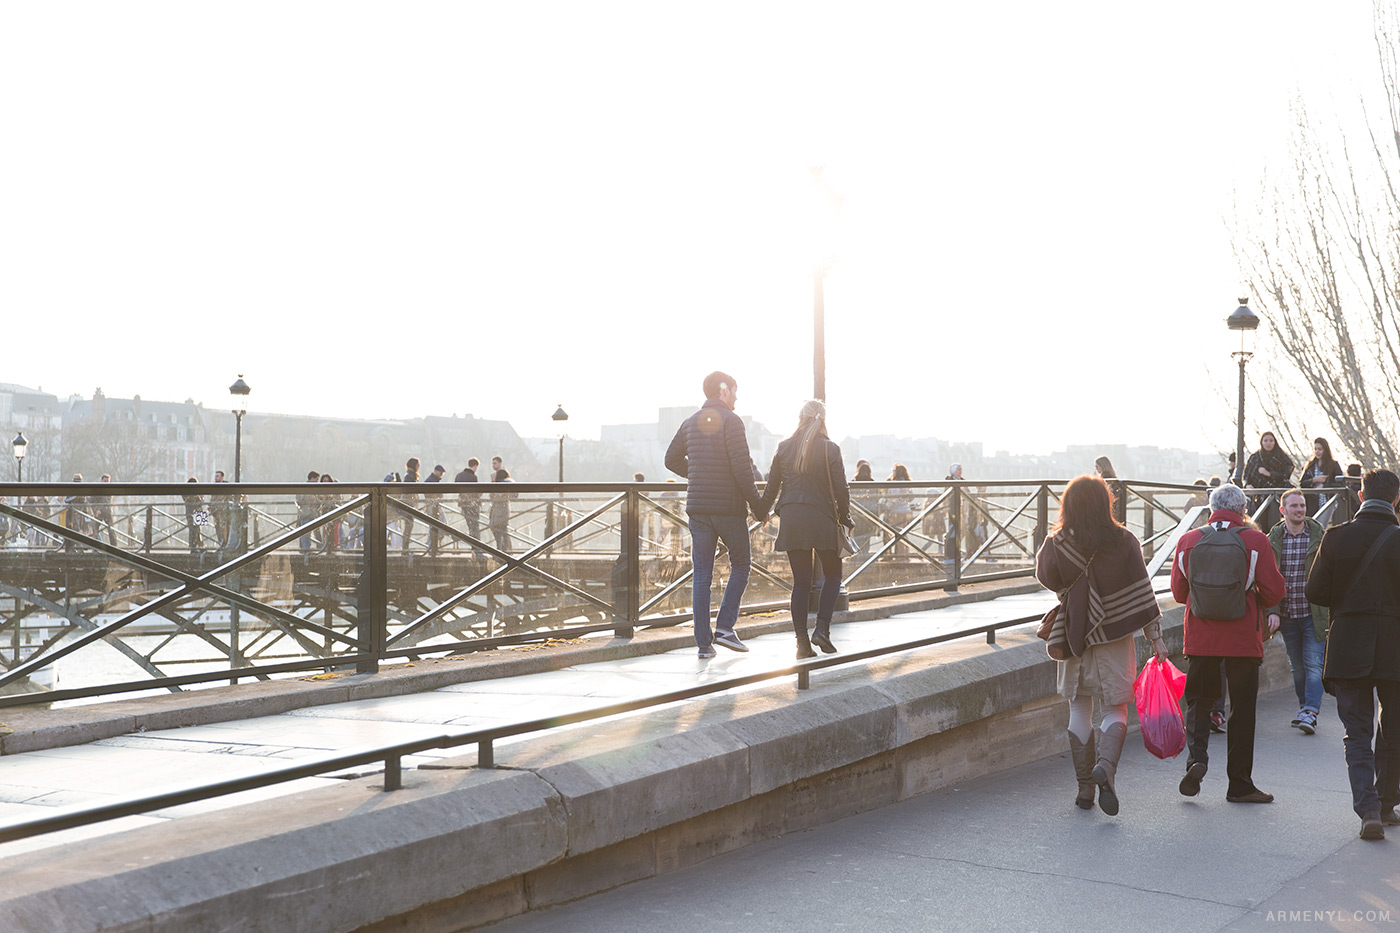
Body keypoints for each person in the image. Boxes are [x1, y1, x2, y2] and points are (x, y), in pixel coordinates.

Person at [1036, 474, 1165, 816]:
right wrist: (1156, 637)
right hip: (1114, 635)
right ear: (1105, 503)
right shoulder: (1123, 540)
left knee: (1079, 709)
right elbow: (1142, 589)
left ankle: (1084, 790)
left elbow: (1045, 574)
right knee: (1115, 708)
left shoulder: (1057, 541)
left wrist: (1074, 595)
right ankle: (1105, 769)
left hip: (1074, 634)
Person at [1170, 483, 1286, 804]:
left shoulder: (1189, 541)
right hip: (1242, 639)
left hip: (1201, 637)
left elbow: (1180, 593)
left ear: (1211, 509)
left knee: (1199, 702)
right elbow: (1275, 591)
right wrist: (1251, 600)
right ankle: (1240, 784)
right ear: (1243, 510)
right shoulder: (1255, 541)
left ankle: (1196, 761)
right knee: (1242, 709)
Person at [1305, 468, 1400, 840]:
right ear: (1395, 499)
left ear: (1360, 496)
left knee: (1356, 732)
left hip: (1348, 646)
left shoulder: (1336, 537)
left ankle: (1368, 810)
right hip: (1395, 646)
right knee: (1394, 729)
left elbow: (1315, 591)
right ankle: (1388, 801)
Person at [664, 370, 767, 659]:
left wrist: (698, 474)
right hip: (727, 508)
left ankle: (703, 645)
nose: (736, 396)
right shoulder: (732, 422)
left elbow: (670, 459)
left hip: (698, 509)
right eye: (735, 390)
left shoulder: (689, 422)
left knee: (702, 575)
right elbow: (742, 470)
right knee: (742, 564)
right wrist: (758, 507)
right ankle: (724, 627)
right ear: (724, 390)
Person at [756, 399, 853, 659]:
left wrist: (760, 511)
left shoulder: (784, 447)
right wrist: (846, 518)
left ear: (800, 419)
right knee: (833, 575)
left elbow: (771, 486)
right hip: (821, 517)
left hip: (792, 517)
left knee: (800, 583)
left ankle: (802, 644)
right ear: (823, 419)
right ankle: (822, 629)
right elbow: (841, 488)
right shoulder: (830, 448)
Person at [1265, 489, 1330, 736]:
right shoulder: (1274, 539)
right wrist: (1272, 610)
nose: (1299, 510)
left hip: (1314, 613)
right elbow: (1268, 579)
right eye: (1294, 506)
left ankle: (1311, 711)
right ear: (1283, 510)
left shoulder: (1318, 536)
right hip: (1287, 613)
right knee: (1297, 666)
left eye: (1302, 505)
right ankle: (1305, 708)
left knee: (1313, 664)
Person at [1243, 431, 1294, 531]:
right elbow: (1246, 476)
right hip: (1259, 496)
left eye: (1271, 441)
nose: (1268, 443)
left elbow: (1286, 474)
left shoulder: (1282, 457)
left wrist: (1270, 474)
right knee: (1262, 524)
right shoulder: (1255, 458)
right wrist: (1247, 485)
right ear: (1261, 442)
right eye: (1265, 441)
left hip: (1279, 494)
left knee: (1277, 523)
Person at [1299, 438, 1342, 517]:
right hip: (1312, 503)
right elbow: (1302, 483)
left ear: (1325, 450)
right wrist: (1314, 480)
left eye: (1320, 449)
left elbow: (1340, 484)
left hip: (1329, 501)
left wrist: (1324, 486)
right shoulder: (1310, 465)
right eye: (1315, 449)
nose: (1317, 452)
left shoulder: (1334, 465)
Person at [883, 463, 915, 556]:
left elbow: (894, 499)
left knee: (898, 534)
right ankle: (905, 553)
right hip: (907, 510)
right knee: (903, 534)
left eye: (893, 470)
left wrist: (888, 507)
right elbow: (910, 497)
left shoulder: (896, 483)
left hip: (897, 512)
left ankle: (900, 555)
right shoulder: (907, 482)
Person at [455, 459, 482, 554]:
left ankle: (473, 546)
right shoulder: (473, 477)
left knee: (469, 525)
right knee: (475, 526)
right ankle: (476, 547)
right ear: (475, 466)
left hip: (463, 505)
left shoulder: (459, 476)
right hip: (472, 505)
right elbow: (475, 493)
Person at [489, 468, 515, 551]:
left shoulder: (501, 485)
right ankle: (504, 550)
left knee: (499, 530)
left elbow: (493, 496)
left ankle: (502, 550)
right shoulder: (508, 483)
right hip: (502, 510)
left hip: (499, 511)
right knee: (502, 530)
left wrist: (493, 482)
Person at [296, 470, 322, 552]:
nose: (317, 482)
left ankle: (307, 548)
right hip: (307, 513)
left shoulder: (307, 487)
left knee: (309, 531)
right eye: (316, 479)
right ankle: (306, 548)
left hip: (311, 513)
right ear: (312, 478)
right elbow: (299, 500)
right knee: (307, 532)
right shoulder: (304, 487)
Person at [424, 464, 446, 556]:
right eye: (440, 473)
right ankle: (431, 546)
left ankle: (433, 546)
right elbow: (431, 494)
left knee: (436, 526)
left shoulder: (432, 480)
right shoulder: (431, 481)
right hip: (433, 506)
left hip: (433, 505)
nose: (441, 475)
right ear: (436, 471)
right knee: (437, 526)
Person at [401, 457, 421, 555]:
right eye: (418, 465)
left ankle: (405, 549)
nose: (419, 467)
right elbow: (409, 491)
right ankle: (405, 549)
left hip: (407, 504)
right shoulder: (410, 476)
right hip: (407, 505)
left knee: (408, 526)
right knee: (408, 526)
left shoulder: (409, 475)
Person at [182, 477, 205, 554]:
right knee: (194, 530)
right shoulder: (188, 492)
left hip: (197, 512)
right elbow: (196, 500)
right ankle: (194, 547)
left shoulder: (192, 492)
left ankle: (199, 545)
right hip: (193, 512)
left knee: (197, 530)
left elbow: (201, 501)